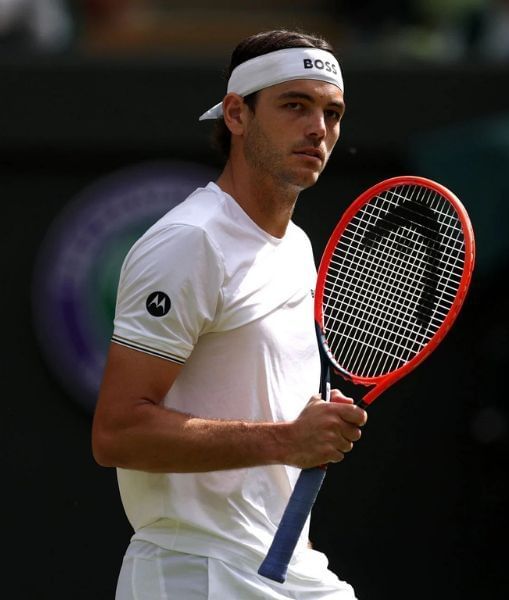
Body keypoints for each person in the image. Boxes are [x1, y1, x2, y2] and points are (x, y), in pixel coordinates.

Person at [91, 29, 366, 599]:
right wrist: (286, 439)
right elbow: (117, 433)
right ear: (237, 114)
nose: (318, 128)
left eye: (332, 113)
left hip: (285, 568)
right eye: (295, 105)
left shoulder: (297, 246)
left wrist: (300, 431)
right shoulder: (191, 240)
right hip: (196, 572)